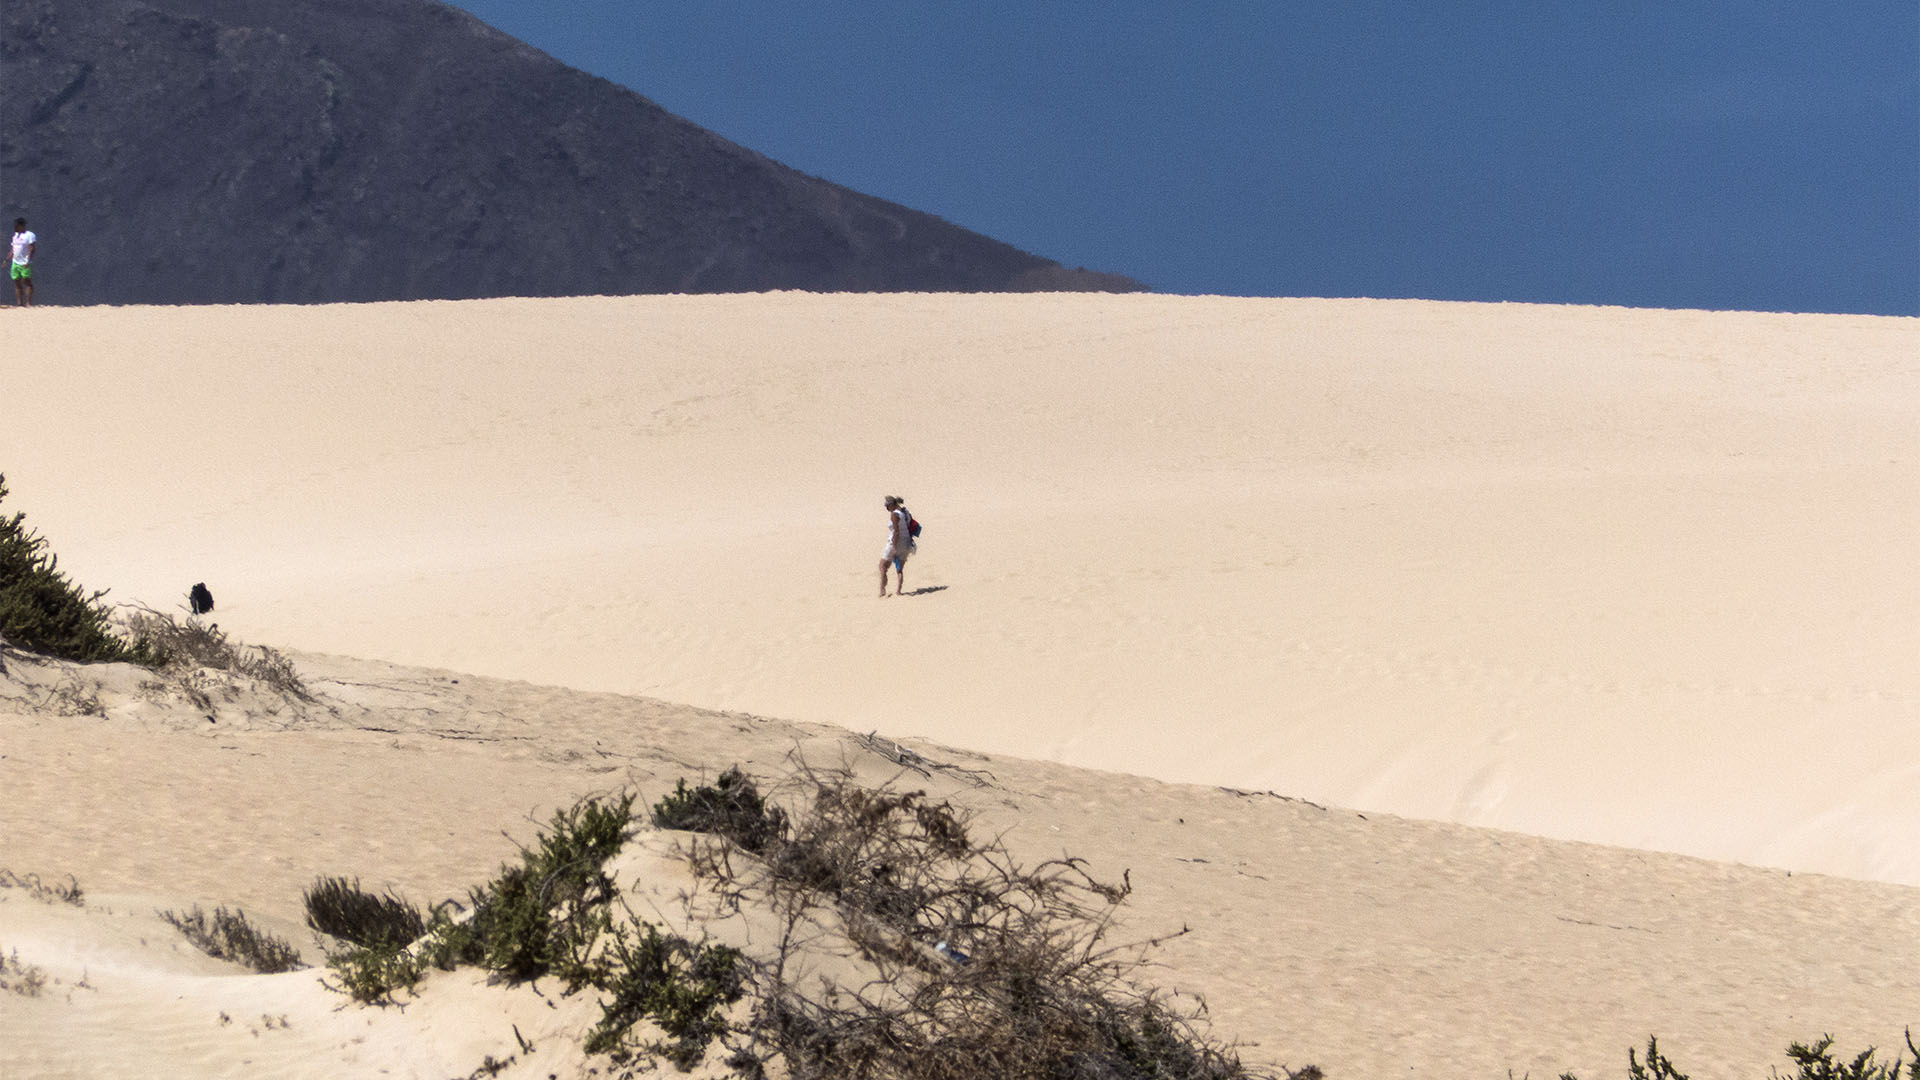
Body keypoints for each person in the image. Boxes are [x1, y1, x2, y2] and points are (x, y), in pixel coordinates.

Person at [878, 495, 914, 597]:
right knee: (899, 569)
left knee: (882, 566)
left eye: (887, 506)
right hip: (906, 542)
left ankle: (882, 590)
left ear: (891, 505)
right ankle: (898, 591)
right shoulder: (905, 512)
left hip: (896, 542)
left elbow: (896, 532)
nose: (886, 508)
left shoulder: (894, 514)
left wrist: (894, 546)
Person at [10, 219, 35, 307]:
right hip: (15, 262)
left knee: (27, 281)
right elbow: (13, 249)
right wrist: (7, 260)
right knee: (17, 282)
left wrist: (28, 260)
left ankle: (28, 303)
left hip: (25, 262)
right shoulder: (15, 236)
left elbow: (32, 248)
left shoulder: (29, 235)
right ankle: (19, 303)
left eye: (16, 226)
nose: (15, 227)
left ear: (21, 226)